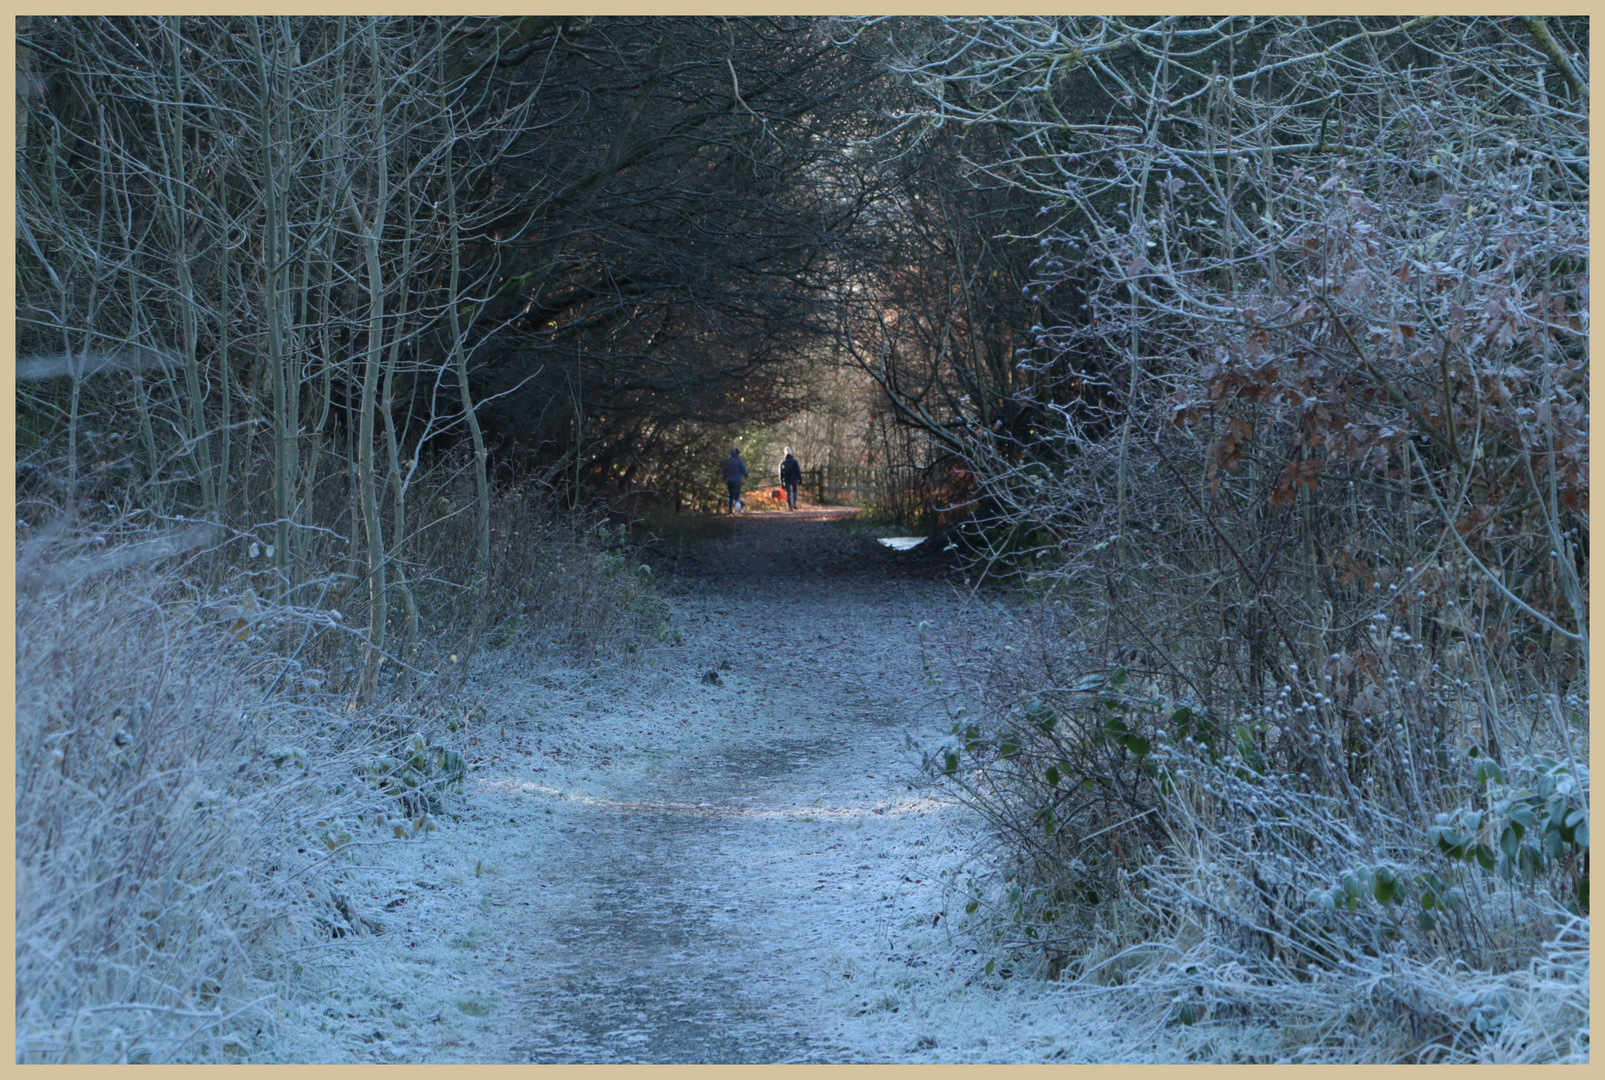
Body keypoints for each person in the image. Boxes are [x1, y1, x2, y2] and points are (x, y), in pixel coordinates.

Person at [721, 447, 749, 513]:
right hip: (737, 480)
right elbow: (743, 469)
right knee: (736, 495)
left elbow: (723, 470)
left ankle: (730, 509)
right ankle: (737, 509)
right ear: (737, 453)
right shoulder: (739, 461)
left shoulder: (727, 461)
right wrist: (746, 475)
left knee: (730, 495)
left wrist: (725, 477)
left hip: (729, 481)